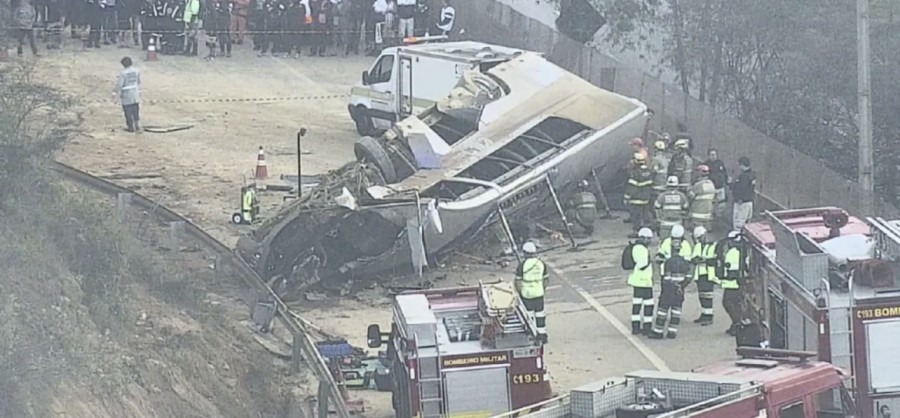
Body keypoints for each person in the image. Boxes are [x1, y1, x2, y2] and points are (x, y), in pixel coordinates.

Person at [649, 238, 692, 339]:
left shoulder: (669, 262)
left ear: (672, 249)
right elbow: (689, 277)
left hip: (669, 291)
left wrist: (672, 287)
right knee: (676, 311)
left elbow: (667, 278)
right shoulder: (685, 263)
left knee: (662, 311)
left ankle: (658, 331)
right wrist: (681, 287)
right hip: (680, 291)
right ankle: (672, 332)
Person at [514, 242, 549, 344]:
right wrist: (542, 289)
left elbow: (518, 281)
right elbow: (546, 279)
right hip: (539, 293)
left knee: (529, 316)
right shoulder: (541, 264)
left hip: (527, 294)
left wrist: (520, 292)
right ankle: (542, 335)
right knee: (540, 314)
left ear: (525, 253)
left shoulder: (522, 265)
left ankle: (531, 334)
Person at [626, 228, 655, 335]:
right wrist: (650, 261)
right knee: (648, 305)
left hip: (637, 280)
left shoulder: (636, 247)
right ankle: (647, 327)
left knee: (637, 304)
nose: (649, 241)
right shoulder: (641, 249)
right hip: (644, 281)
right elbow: (642, 265)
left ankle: (636, 326)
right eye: (648, 238)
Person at [718, 230, 747, 336]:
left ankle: (737, 324)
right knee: (733, 303)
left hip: (734, 283)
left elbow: (732, 268)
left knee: (729, 303)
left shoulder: (734, 252)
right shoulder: (740, 251)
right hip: (734, 282)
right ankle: (736, 323)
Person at [691, 226, 717, 325]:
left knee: (708, 296)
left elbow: (715, 259)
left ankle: (709, 316)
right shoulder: (698, 246)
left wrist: (704, 260)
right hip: (700, 274)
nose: (700, 239)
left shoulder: (713, 246)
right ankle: (704, 314)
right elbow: (694, 259)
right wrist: (699, 260)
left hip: (709, 274)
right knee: (701, 295)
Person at [624, 152, 653, 238]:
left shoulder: (635, 173)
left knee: (636, 217)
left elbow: (632, 187)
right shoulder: (648, 171)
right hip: (645, 198)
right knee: (645, 216)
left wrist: (626, 197)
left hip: (636, 199)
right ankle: (647, 230)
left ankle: (636, 232)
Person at [113, 56, 142, 133]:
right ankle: (137, 125)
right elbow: (139, 81)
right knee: (135, 109)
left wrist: (115, 92)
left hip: (126, 93)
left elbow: (120, 84)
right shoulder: (137, 71)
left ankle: (130, 127)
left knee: (128, 110)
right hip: (135, 92)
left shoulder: (123, 73)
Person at [654, 176, 688, 240]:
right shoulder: (682, 196)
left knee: (664, 241)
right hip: (677, 223)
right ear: (677, 186)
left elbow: (657, 208)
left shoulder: (662, 196)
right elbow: (685, 208)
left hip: (665, 223)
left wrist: (659, 219)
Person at [730, 156, 756, 231]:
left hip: (742, 203)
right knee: (747, 223)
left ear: (742, 165)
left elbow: (741, 189)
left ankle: (737, 239)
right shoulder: (752, 175)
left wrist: (732, 185)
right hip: (749, 201)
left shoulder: (744, 177)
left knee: (739, 222)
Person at [688, 165, 716, 231]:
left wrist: (689, 189)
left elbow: (690, 197)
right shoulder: (711, 184)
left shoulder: (698, 185)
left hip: (697, 214)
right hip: (707, 214)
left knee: (696, 232)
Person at [704, 149, 727, 219]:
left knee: (722, 204)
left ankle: (719, 217)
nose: (713, 156)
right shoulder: (706, 164)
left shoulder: (720, 163)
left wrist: (725, 181)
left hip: (720, 187)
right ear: (709, 156)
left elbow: (724, 173)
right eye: (712, 155)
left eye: (715, 155)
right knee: (711, 203)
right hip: (711, 187)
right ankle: (710, 217)